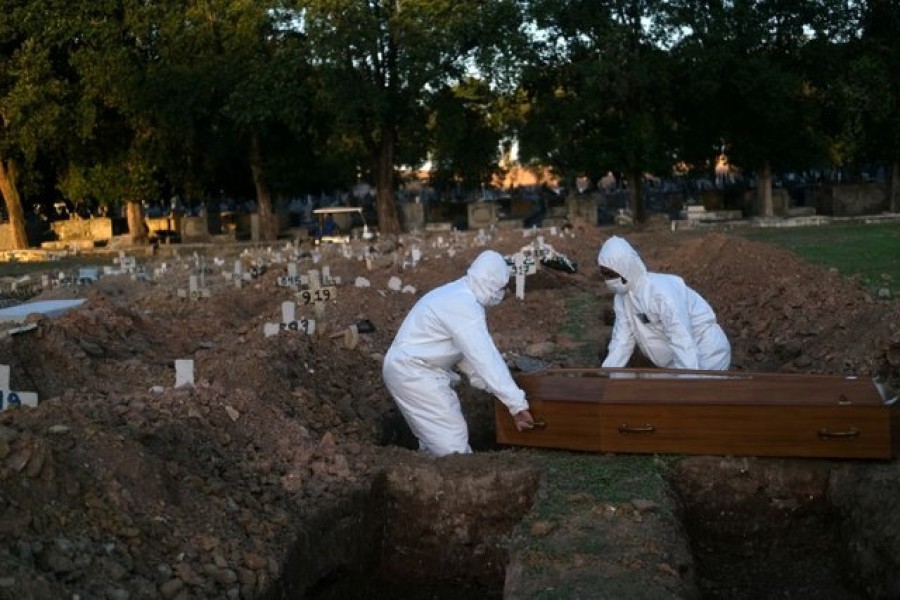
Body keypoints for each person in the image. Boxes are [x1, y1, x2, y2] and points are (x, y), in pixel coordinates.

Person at [383, 250, 535, 456]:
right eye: (500, 288)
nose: (501, 294)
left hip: (412, 371)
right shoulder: (464, 305)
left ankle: (429, 478)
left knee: (436, 442)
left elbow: (470, 363)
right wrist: (516, 404)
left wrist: (501, 392)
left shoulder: (457, 295)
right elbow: (485, 358)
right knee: (452, 444)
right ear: (491, 283)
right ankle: (462, 483)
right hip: (414, 373)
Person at [597, 236, 731, 371]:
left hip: (706, 354)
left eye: (610, 274)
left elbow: (681, 337)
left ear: (624, 269)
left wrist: (690, 378)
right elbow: (622, 340)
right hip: (675, 361)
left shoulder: (660, 293)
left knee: (701, 391)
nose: (607, 281)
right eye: (604, 275)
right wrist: (607, 374)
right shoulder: (622, 299)